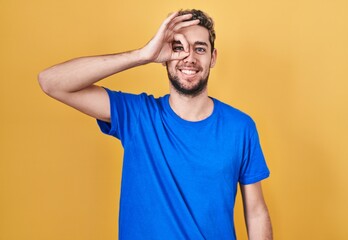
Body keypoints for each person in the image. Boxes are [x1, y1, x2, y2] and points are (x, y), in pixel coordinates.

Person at [38, 9, 272, 240]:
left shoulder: (240, 127)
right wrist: (142, 55)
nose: (189, 57)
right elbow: (51, 82)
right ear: (165, 55)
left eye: (200, 49)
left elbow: (256, 212)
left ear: (213, 58)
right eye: (179, 48)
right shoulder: (137, 115)